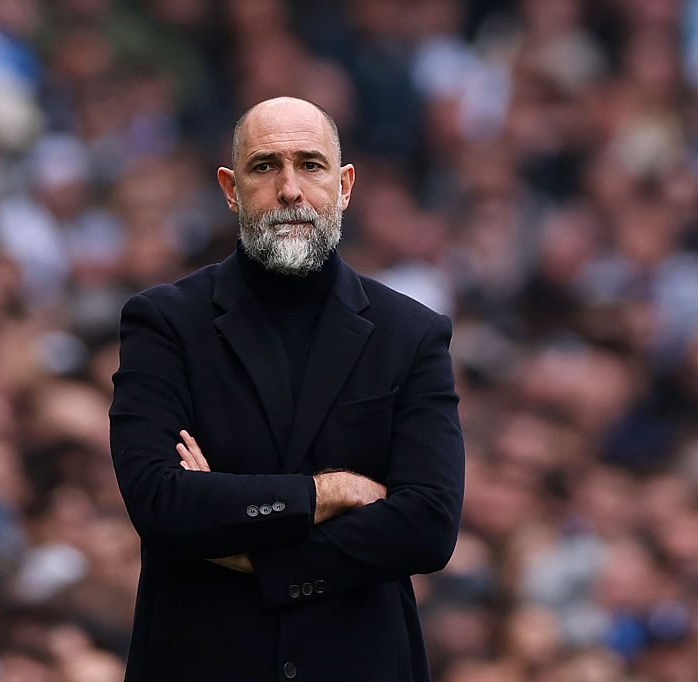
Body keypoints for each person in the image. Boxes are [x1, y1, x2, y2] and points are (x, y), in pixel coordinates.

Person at [109, 96, 464, 682]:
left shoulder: (411, 334)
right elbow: (159, 500)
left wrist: (249, 551)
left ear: (344, 186)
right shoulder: (165, 323)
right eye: (265, 166)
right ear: (231, 189)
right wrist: (326, 492)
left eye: (311, 165)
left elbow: (428, 526)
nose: (290, 189)